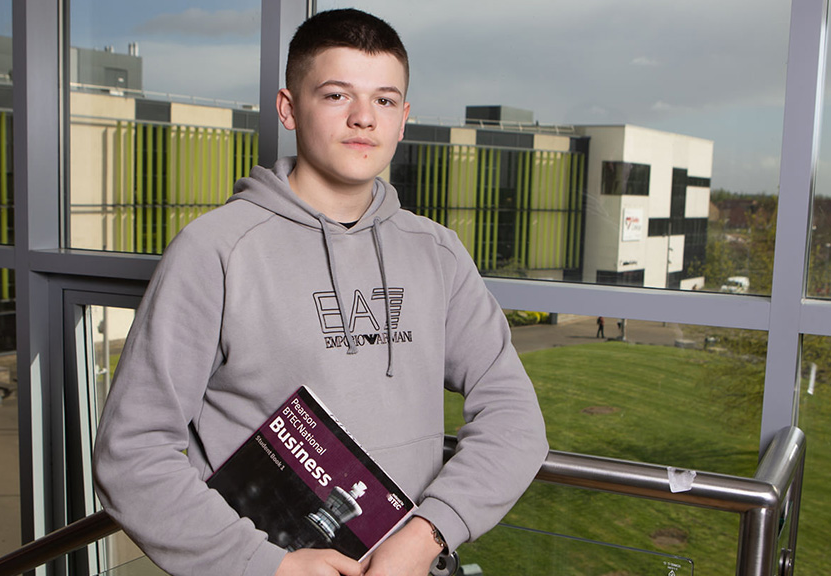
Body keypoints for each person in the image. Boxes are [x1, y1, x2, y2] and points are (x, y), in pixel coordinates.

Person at [92, 9, 547, 576]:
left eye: (384, 100)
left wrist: (431, 533)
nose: (363, 119)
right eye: (337, 95)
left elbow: (514, 417)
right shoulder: (216, 250)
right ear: (288, 107)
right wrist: (268, 566)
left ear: (403, 118)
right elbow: (131, 454)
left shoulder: (438, 252)